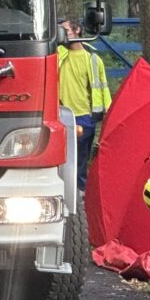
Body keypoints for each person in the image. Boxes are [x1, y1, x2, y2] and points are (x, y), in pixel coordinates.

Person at [56, 19, 111, 191]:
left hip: (84, 116)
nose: (62, 35)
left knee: (80, 160)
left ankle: (79, 194)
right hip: (60, 114)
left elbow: (103, 87)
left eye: (65, 30)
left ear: (77, 30)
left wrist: (108, 111)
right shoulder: (58, 54)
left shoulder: (92, 59)